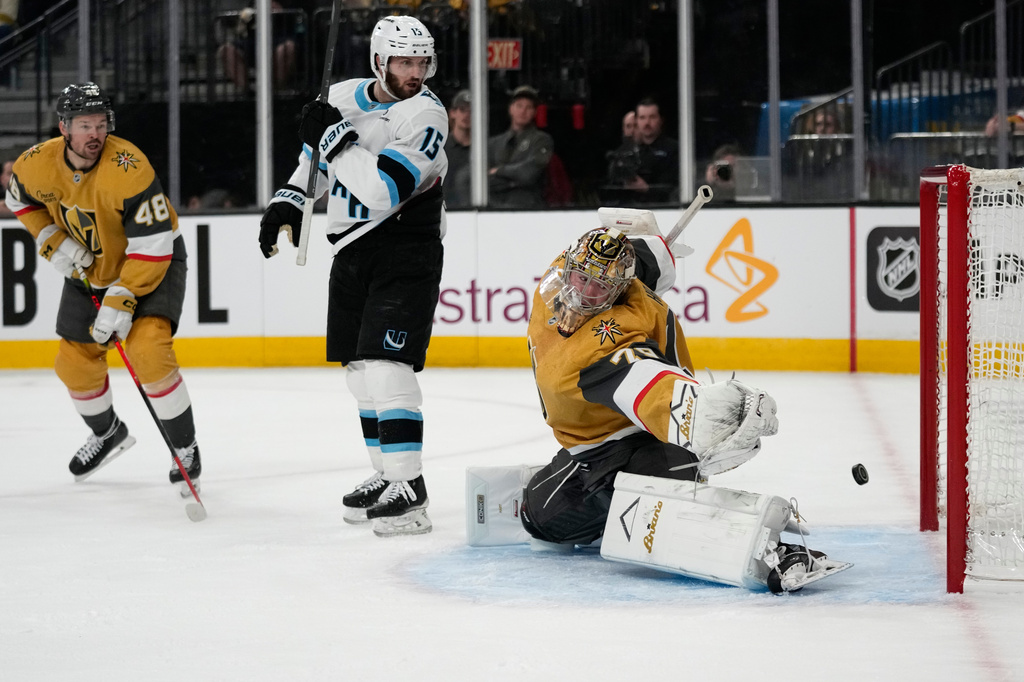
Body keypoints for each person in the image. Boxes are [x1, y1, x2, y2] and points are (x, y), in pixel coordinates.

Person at [472, 219, 848, 592]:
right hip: (595, 442)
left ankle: (766, 549)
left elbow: (648, 384)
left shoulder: (609, 341)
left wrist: (708, 415)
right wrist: (653, 246)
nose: (584, 292)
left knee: (654, 512)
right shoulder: (562, 271)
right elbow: (640, 260)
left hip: (654, 440)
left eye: (599, 286)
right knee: (540, 522)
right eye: (580, 277)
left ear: (619, 291)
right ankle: (620, 498)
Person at [259, 15, 448, 537]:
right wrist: (289, 202)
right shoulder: (343, 96)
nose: (414, 72)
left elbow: (382, 190)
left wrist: (336, 139)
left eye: (421, 62)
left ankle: (410, 490)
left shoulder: (426, 114)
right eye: (403, 62)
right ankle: (386, 473)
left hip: (405, 247)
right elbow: (314, 166)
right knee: (361, 374)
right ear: (378, 61)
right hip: (351, 248)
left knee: (389, 367)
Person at [5, 82, 203, 490]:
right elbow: (19, 201)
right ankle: (108, 433)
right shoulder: (36, 163)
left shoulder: (129, 166)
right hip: (91, 270)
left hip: (153, 262)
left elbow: (152, 245)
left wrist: (122, 298)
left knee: (148, 353)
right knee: (73, 363)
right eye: (84, 125)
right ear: (64, 127)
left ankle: (184, 446)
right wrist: (51, 238)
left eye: (100, 124)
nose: (95, 134)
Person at [486, 85, 553, 209]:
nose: (523, 111)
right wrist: (514, 180)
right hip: (494, 209)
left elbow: (529, 174)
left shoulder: (541, 140)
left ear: (534, 112)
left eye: (528, 107)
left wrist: (499, 171)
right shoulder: (494, 143)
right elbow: (485, 179)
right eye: (519, 106)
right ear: (510, 109)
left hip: (529, 207)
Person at [605, 97, 679, 204]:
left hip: (663, 209)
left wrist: (647, 189)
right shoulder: (626, 151)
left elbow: (675, 188)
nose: (647, 122)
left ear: (661, 120)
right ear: (636, 120)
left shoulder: (673, 149)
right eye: (642, 118)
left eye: (652, 117)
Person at [218, 1, 298, 91]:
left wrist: (281, 10)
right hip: (251, 41)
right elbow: (240, 28)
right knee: (226, 50)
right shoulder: (252, 3)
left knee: (288, 47)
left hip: (278, 38)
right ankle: (248, 94)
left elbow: (298, 18)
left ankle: (274, 92)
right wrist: (246, 17)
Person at [443, 89, 471, 209]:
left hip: (476, 210)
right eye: (462, 110)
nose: (466, 115)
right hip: (445, 211)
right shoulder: (440, 148)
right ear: (453, 113)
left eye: (472, 111)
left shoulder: (485, 150)